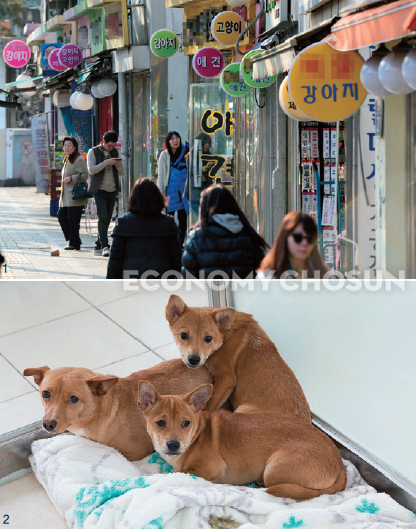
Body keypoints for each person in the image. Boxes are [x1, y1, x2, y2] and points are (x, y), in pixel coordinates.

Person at [182, 184, 268, 279]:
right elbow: (260, 274)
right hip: (244, 293)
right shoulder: (249, 235)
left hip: (207, 293)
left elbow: (189, 279)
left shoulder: (196, 238)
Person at [106, 178, 182, 279]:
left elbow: (115, 260)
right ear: (157, 198)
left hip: (131, 280)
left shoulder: (123, 223)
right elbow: (176, 258)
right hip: (162, 280)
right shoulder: (168, 223)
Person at [257, 211, 329, 279]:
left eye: (310, 238)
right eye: (298, 237)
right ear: (285, 238)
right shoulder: (267, 276)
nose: (305, 243)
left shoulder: (325, 275)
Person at [87, 131, 125, 257]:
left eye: (113, 146)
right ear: (103, 142)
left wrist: (118, 164)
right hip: (99, 190)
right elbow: (91, 170)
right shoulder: (93, 152)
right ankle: (105, 246)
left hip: (112, 189)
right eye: (109, 145)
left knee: (107, 219)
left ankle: (98, 245)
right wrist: (106, 163)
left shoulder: (115, 152)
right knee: (103, 218)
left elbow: (122, 171)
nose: (111, 148)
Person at [157, 131, 189, 246]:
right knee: (168, 219)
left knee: (182, 219)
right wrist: (161, 194)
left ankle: (180, 244)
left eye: (177, 138)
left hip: (182, 193)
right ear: (168, 141)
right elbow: (161, 176)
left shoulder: (185, 153)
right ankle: (169, 244)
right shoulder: (164, 155)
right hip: (169, 193)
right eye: (172, 139)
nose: (175, 141)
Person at [57, 136, 89, 251]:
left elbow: (85, 175)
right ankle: (75, 240)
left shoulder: (78, 159)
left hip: (75, 196)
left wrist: (71, 178)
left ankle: (74, 242)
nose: (66, 147)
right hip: (66, 196)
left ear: (74, 147)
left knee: (73, 220)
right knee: (61, 216)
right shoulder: (67, 158)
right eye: (65, 145)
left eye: (69, 145)